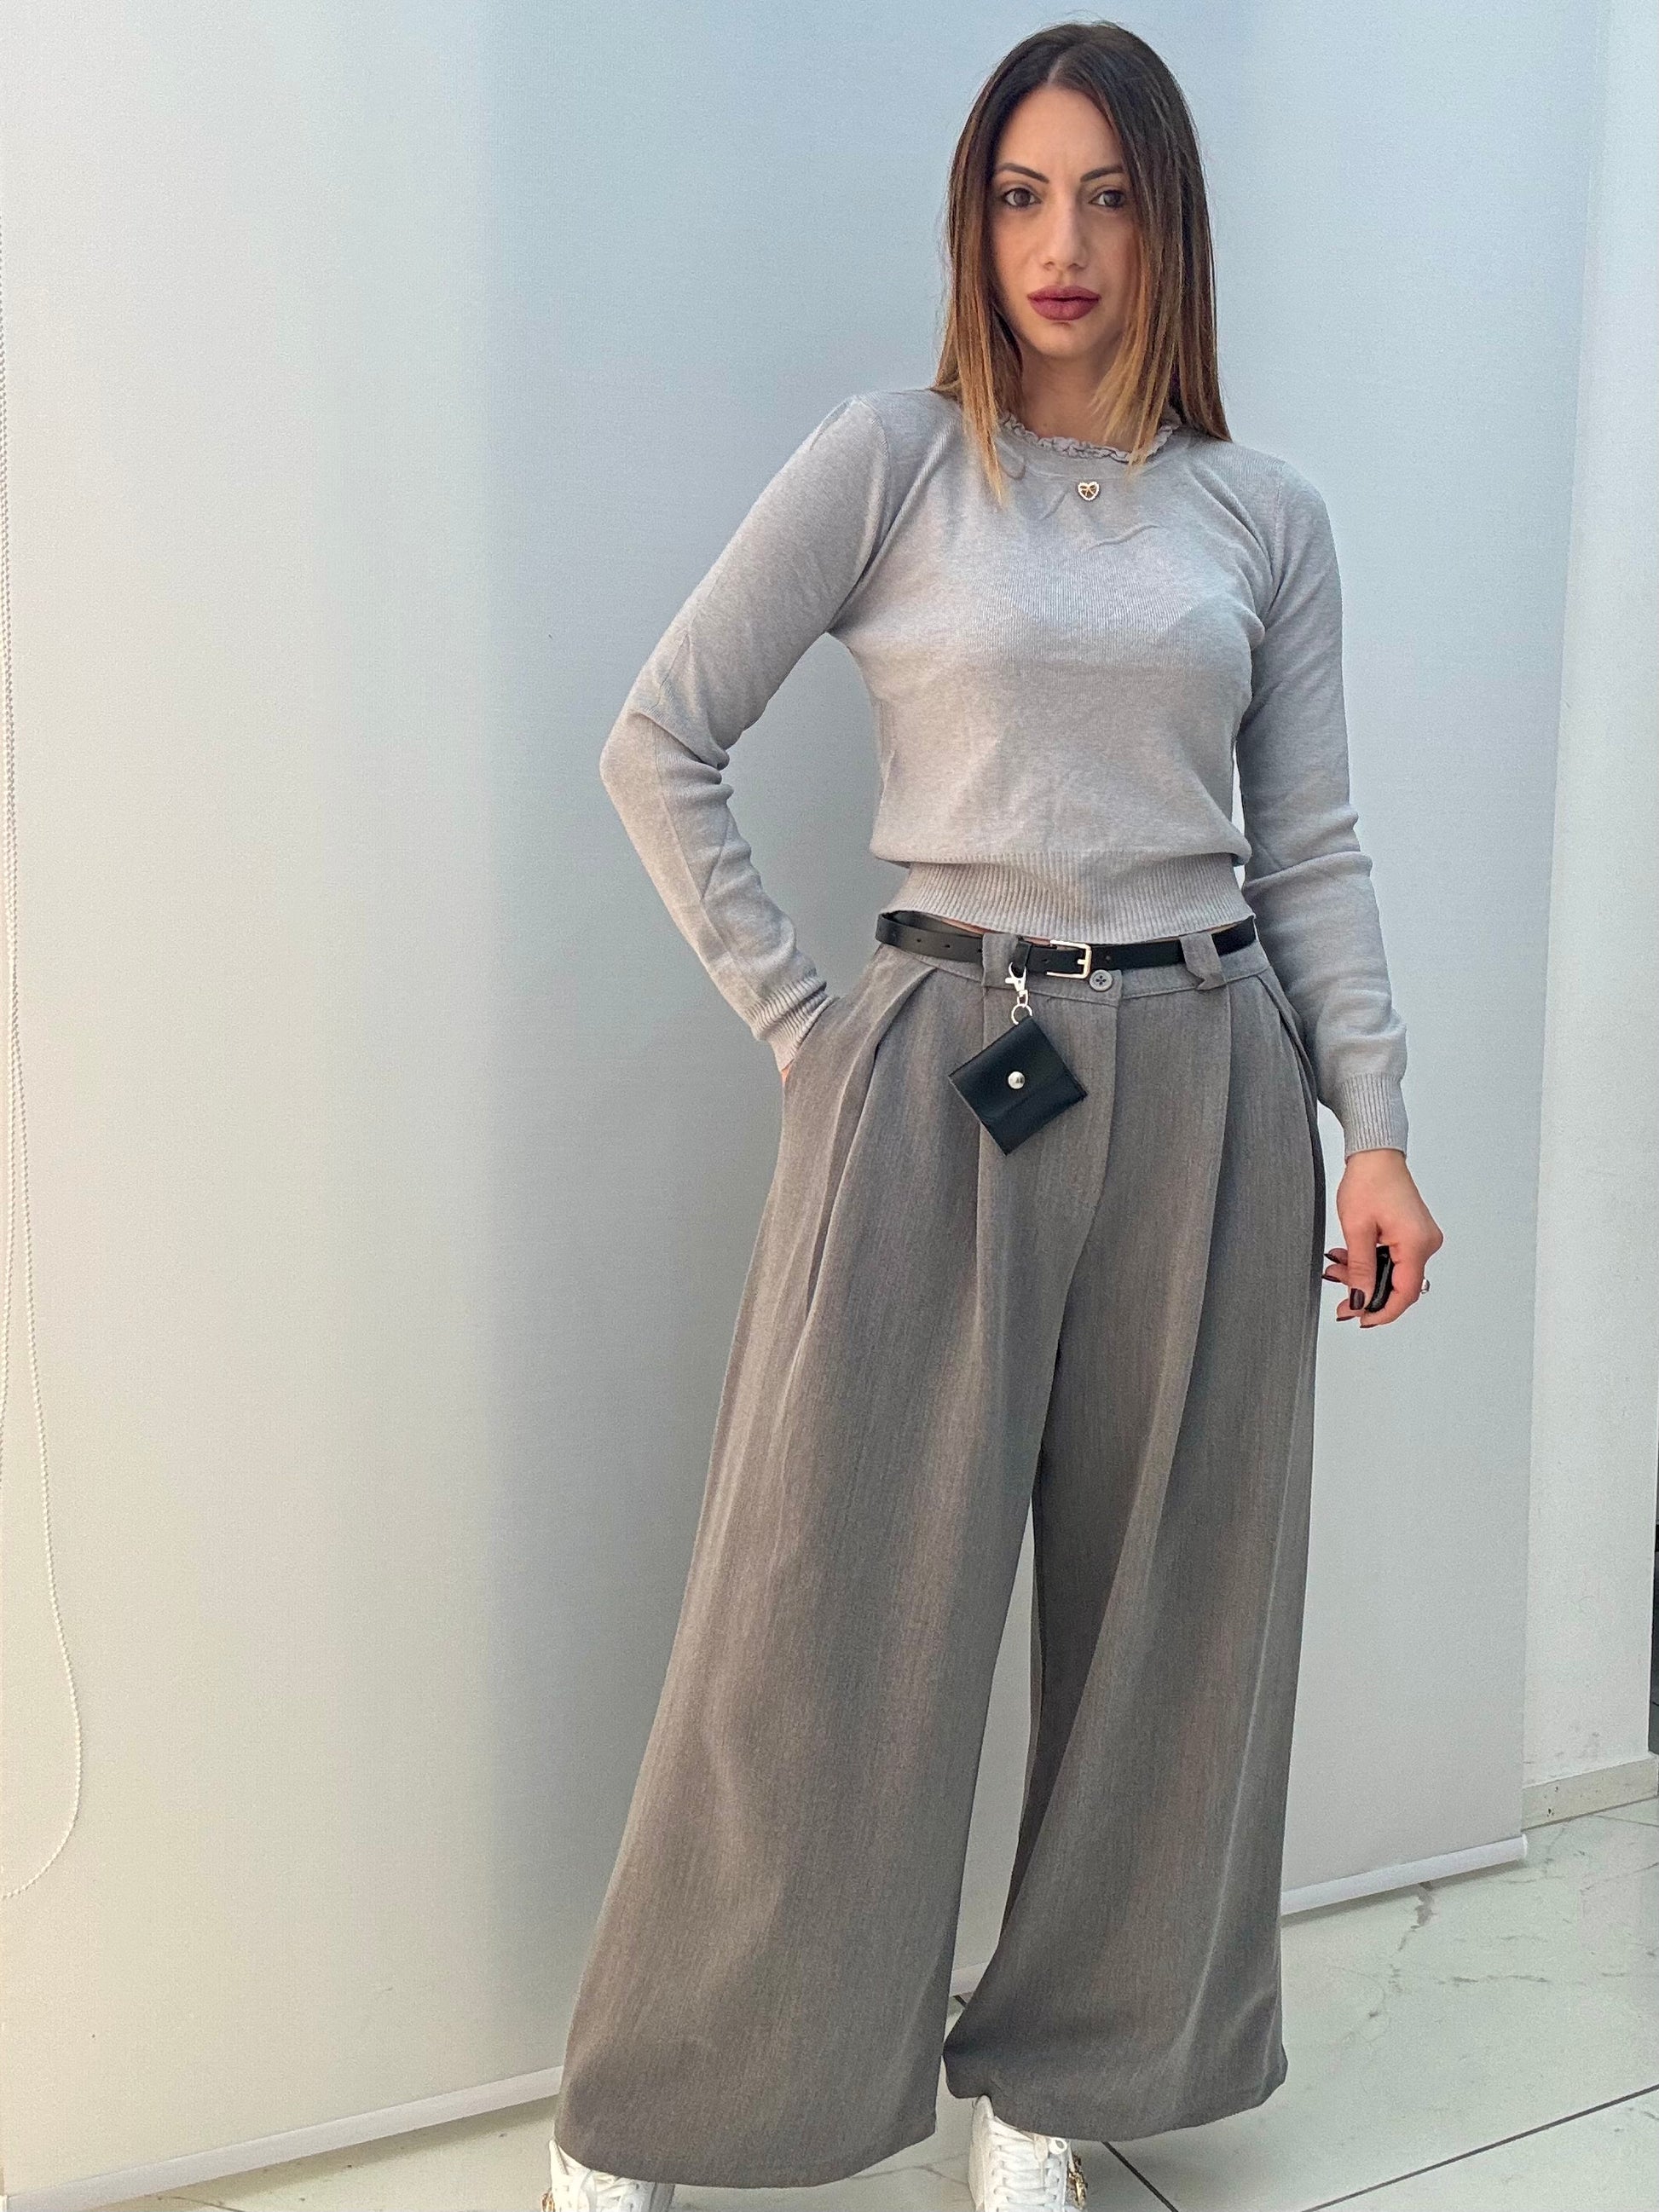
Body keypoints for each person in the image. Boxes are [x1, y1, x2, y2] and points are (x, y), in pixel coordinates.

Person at [545, 20, 1444, 2212]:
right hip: (945, 1069)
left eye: (1108, 197)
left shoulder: (1261, 514)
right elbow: (659, 738)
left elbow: (1310, 846)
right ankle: (665, 2096)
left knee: (1170, 1630)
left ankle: (1059, 2075)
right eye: (1025, 195)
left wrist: (1376, 1122)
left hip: (1212, 1076)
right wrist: (809, 1029)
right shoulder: (895, 461)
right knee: (824, 1615)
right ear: (975, 220)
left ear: (1167, 230)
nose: (1063, 242)